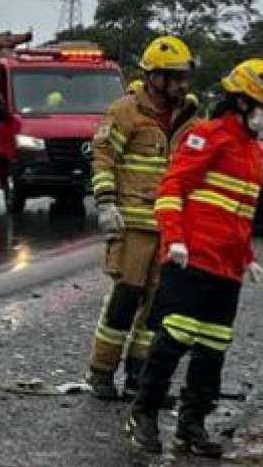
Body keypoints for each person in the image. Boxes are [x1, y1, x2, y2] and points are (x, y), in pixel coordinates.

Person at [127, 57, 263, 459]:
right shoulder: (208, 137)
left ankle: (191, 423)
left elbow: (240, 214)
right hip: (191, 260)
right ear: (241, 103)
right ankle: (143, 413)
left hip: (227, 268)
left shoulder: (254, 153)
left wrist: (247, 257)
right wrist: (175, 240)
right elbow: (171, 189)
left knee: (214, 347)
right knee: (174, 337)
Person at [84, 36, 199, 399]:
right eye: (174, 77)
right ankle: (102, 372)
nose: (181, 85)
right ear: (153, 77)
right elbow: (103, 159)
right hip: (133, 226)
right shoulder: (126, 112)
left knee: (158, 307)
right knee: (124, 299)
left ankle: (139, 376)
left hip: (172, 228)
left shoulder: (192, 117)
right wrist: (106, 202)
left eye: (184, 77)